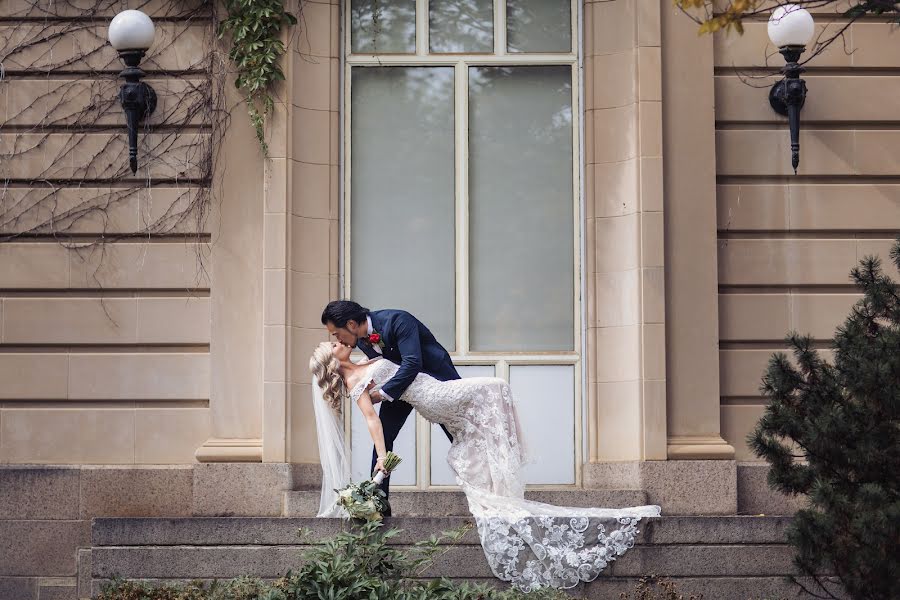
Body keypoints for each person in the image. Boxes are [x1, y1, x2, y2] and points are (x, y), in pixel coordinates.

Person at [309, 337, 662, 592]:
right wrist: (382, 458)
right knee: (497, 386)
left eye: (338, 338)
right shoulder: (356, 382)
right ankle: (512, 458)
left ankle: (499, 472)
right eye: (335, 344)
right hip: (435, 397)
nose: (339, 341)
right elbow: (374, 421)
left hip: (435, 390)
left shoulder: (364, 358)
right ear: (333, 359)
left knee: (492, 401)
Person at [320, 301, 459, 507]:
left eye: (336, 334)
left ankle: (485, 490)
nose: (338, 339)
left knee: (457, 433)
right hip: (401, 387)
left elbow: (412, 362)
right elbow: (379, 365)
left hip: (434, 379)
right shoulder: (360, 340)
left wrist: (382, 393)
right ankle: (375, 508)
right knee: (382, 439)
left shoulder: (398, 320)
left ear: (350, 324)